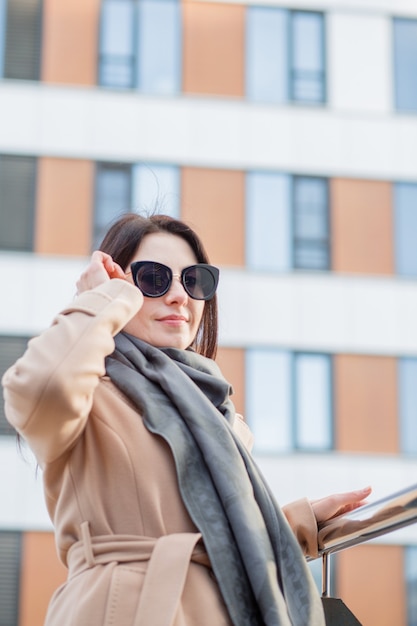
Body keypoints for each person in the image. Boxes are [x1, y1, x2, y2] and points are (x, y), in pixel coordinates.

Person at [2, 213, 371, 626]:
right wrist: (102, 302)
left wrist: (293, 525)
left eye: (193, 280)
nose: (179, 296)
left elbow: (210, 535)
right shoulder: (87, 393)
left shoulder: (219, 415)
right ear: (116, 283)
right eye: (153, 279)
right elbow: (37, 390)